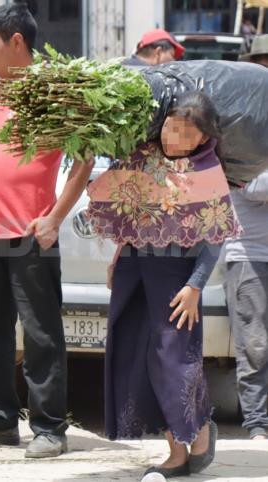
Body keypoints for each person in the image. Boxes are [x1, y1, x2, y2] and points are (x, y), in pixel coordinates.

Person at [0, 4, 95, 458]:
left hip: (30, 234)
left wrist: (54, 217)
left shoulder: (51, 94)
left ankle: (50, 428)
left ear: (16, 43)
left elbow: (85, 159)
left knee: (41, 334)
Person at [87, 92, 241, 478]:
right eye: (171, 126)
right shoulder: (144, 156)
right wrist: (118, 255)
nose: (174, 137)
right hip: (134, 268)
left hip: (177, 278)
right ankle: (183, 442)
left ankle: (192, 437)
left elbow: (215, 236)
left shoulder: (207, 171)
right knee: (138, 356)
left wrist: (195, 286)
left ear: (202, 140)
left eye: (186, 132)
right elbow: (131, 211)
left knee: (173, 360)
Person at [225, 41, 268, 441]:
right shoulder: (241, 123)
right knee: (255, 345)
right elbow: (252, 183)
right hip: (251, 252)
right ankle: (258, 425)